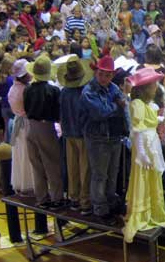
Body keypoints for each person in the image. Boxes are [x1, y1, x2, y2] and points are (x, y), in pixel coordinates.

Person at [80, 55, 128, 224]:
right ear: (96, 73)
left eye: (107, 75)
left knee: (112, 173)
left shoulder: (113, 87)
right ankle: (100, 208)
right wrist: (117, 106)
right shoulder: (88, 92)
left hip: (113, 137)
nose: (103, 78)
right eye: (101, 74)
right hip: (97, 138)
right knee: (100, 175)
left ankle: (110, 201)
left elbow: (122, 105)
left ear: (112, 75)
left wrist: (116, 107)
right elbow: (100, 113)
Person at [124, 67, 165, 241]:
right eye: (153, 85)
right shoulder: (137, 104)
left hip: (151, 143)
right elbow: (138, 130)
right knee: (144, 176)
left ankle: (153, 211)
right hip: (145, 147)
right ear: (144, 88)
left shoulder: (145, 104)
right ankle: (144, 213)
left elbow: (146, 123)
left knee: (152, 177)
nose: (156, 87)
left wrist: (157, 120)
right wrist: (142, 154)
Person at [23, 55, 64, 209]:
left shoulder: (28, 89)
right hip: (46, 127)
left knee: (37, 165)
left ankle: (41, 197)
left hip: (30, 126)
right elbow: (57, 113)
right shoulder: (52, 90)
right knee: (52, 163)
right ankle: (57, 197)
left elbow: (26, 109)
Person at [58, 56, 94, 215]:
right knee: (85, 168)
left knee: (72, 166)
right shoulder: (85, 92)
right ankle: (85, 201)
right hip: (82, 133)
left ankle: (74, 198)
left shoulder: (64, 92)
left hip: (68, 133)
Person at [8, 59, 34, 195]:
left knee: (20, 154)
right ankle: (30, 182)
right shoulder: (25, 90)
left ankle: (23, 182)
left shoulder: (13, 88)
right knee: (28, 154)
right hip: (26, 124)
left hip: (19, 123)